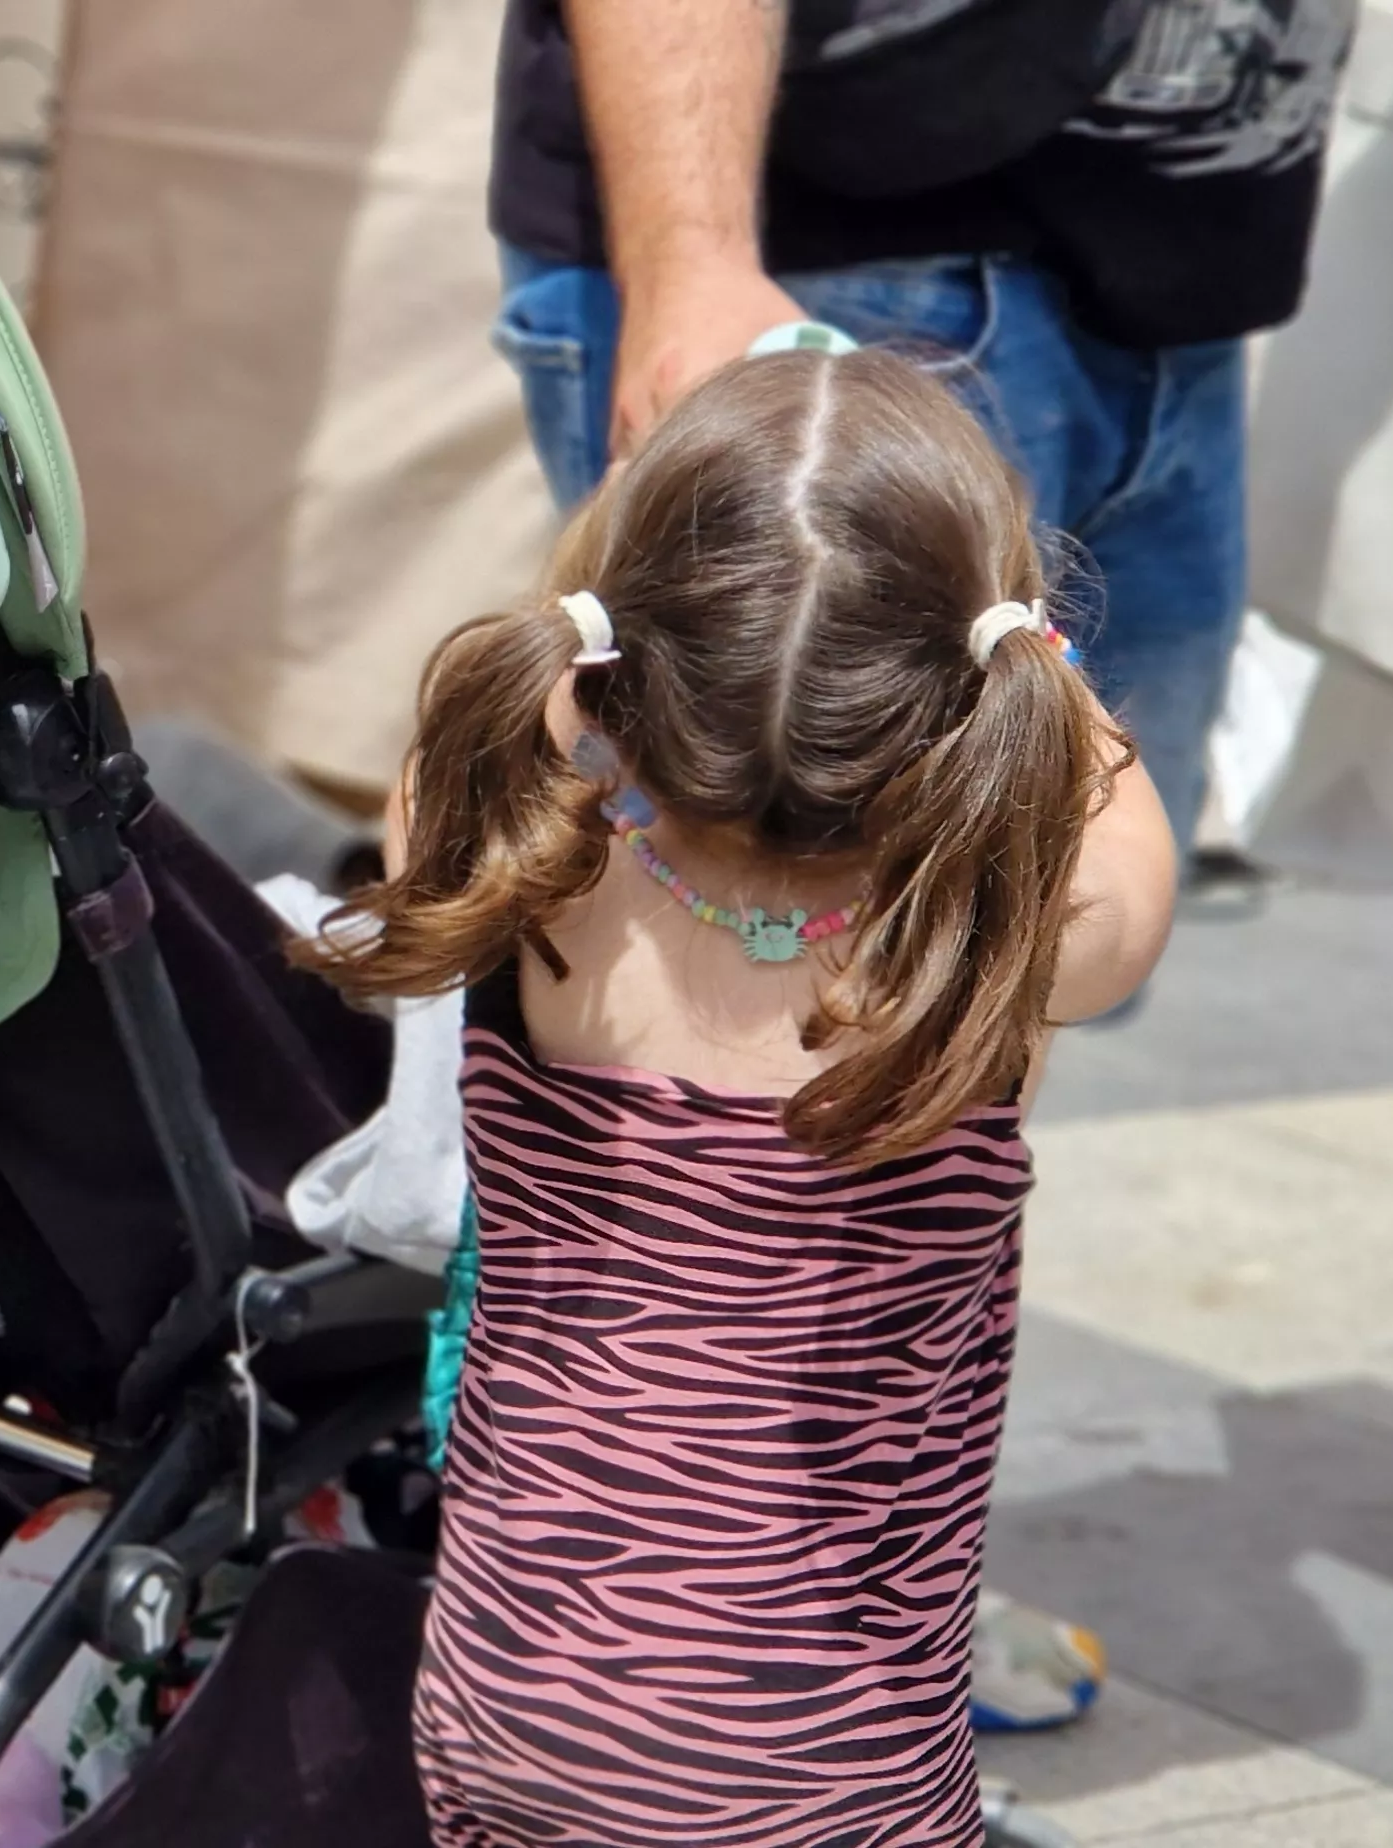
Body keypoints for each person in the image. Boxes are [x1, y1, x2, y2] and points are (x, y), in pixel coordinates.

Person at [300, 351, 1175, 1844]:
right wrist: (1037, 651)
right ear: (978, 684)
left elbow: (444, 783)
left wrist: (592, 601)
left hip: (507, 1691)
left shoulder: (541, 898)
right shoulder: (968, 960)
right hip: (818, 1747)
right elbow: (1130, 874)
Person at [486, 0, 1355, 861]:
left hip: (1190, 253)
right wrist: (692, 258)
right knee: (978, 888)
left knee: (981, 894)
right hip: (838, 233)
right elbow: (1102, 904)